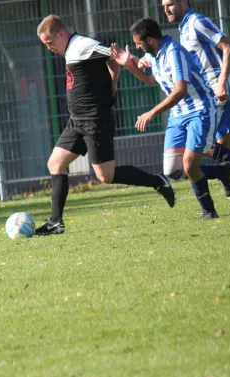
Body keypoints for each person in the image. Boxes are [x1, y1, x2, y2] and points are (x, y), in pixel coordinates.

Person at [34, 15, 175, 235]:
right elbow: (109, 62)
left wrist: (136, 62)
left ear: (61, 34)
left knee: (105, 177)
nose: (49, 48)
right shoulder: (71, 49)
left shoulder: (82, 45)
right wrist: (113, 77)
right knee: (55, 164)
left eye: (50, 42)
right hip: (76, 121)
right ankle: (55, 223)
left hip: (95, 121)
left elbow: (115, 55)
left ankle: (157, 181)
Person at [111, 18, 230, 219]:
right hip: (179, 114)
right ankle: (221, 172)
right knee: (173, 170)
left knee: (189, 163)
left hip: (199, 109)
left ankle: (209, 210)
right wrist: (128, 63)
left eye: (138, 43)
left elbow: (180, 90)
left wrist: (152, 112)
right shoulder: (153, 54)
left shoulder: (173, 52)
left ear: (150, 40)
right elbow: (149, 80)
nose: (137, 47)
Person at [162, 0, 230, 209]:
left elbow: (229, 46)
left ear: (184, 2)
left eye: (171, 4)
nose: (166, 9)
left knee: (202, 142)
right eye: (164, 5)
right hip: (213, 93)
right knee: (226, 143)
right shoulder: (184, 28)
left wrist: (221, 83)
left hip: (217, 93)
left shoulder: (196, 22)